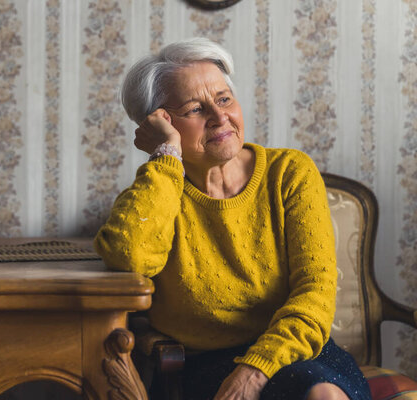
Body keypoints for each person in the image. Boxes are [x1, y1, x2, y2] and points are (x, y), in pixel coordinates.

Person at [94, 37, 371, 400]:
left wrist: (255, 370)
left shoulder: (289, 172)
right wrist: (166, 157)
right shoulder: (158, 194)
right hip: (201, 366)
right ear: (160, 123)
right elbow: (129, 257)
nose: (220, 116)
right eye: (195, 109)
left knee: (323, 394)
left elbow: (314, 294)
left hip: (298, 352)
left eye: (224, 99)